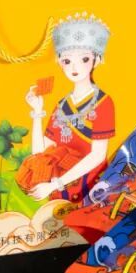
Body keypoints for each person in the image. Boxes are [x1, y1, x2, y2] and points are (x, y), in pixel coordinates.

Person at [23, 13, 115, 202]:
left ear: (97, 60)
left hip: (91, 187)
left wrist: (56, 184)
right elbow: (41, 154)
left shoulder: (103, 102)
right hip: (59, 189)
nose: (75, 67)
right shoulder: (62, 105)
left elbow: (97, 155)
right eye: (67, 61)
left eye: (84, 59)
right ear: (59, 62)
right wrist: (37, 113)